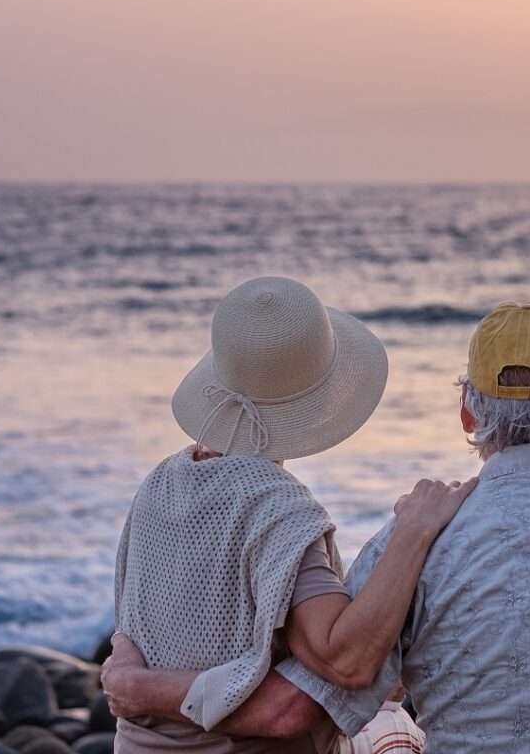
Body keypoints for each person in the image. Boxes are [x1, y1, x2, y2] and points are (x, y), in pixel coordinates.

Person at [107, 299, 530, 753]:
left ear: (468, 414)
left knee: (388, 727)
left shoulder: (412, 542)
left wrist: (143, 689)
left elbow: (302, 703)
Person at [109, 276, 474, 753]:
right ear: (318, 401)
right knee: (399, 733)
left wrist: (140, 688)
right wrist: (414, 529)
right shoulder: (276, 509)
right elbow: (342, 661)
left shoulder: (160, 483)